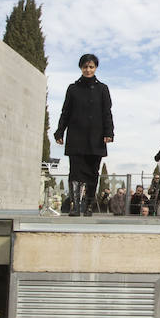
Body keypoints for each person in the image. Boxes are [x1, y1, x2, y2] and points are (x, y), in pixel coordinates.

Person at [54, 54, 114, 216]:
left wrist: (109, 132)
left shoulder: (103, 89)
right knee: (75, 172)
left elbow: (107, 113)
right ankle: (74, 205)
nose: (88, 70)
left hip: (96, 137)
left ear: (95, 68)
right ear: (81, 68)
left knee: (93, 172)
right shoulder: (73, 88)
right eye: (85, 67)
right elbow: (65, 112)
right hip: (76, 136)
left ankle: (88, 206)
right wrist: (60, 131)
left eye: (91, 67)